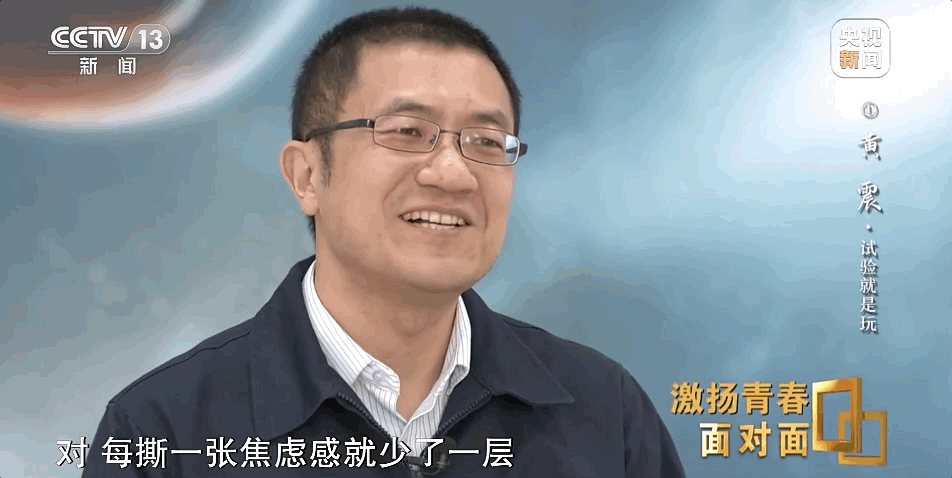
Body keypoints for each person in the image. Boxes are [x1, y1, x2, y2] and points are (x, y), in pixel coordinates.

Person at [83, 6, 685, 477]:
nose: (453, 173)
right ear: (307, 175)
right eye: (407, 131)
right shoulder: (161, 431)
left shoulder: (607, 414)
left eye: (485, 141)